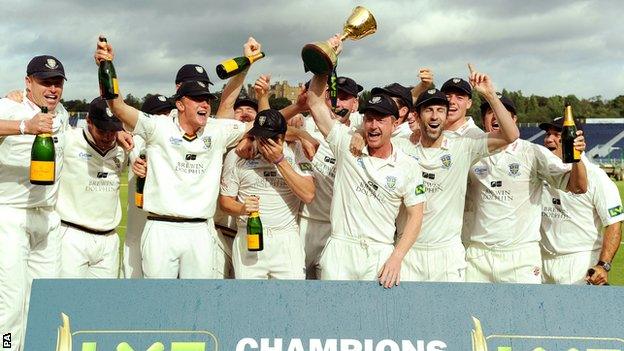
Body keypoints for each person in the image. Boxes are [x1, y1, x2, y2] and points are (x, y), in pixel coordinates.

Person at [94, 36, 259, 278]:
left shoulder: (217, 130)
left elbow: (262, 124)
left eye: (207, 99)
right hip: (161, 229)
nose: (204, 104)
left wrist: (247, 63)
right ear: (180, 104)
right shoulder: (158, 127)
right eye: (197, 99)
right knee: (160, 304)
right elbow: (117, 106)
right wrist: (105, 65)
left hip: (201, 230)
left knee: (195, 306)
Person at [362, 64, 520, 282]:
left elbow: (511, 135)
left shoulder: (463, 147)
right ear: (417, 116)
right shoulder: (401, 145)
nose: (434, 116)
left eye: (440, 110)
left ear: (447, 116)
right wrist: (358, 135)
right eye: (428, 110)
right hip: (408, 253)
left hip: (447, 254)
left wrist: (491, 96)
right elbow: (373, 130)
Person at [305, 35, 426, 288]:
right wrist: (326, 63)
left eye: (381, 119)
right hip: (341, 249)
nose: (373, 125)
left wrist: (396, 257)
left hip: (380, 253)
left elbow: (416, 215)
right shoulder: (345, 144)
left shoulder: (408, 165)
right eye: (369, 118)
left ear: (395, 124)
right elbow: (315, 102)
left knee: (375, 325)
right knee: (333, 323)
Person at [464, 95, 588, 284]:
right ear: (483, 121)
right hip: (477, 254)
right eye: (491, 112)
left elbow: (578, 187)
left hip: (520, 255)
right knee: (472, 313)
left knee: (523, 314)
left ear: (514, 121)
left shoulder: (532, 152)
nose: (497, 116)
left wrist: (577, 159)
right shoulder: (471, 151)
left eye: (504, 113)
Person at [0, 55, 69, 351]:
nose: (52, 89)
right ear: (28, 83)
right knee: (11, 301)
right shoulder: (9, 106)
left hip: (48, 218)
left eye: (57, 83)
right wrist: (25, 126)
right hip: (10, 216)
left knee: (44, 300)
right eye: (45, 82)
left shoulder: (63, 114)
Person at [219, 109, 315, 279]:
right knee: (249, 301)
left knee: (291, 300)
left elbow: (308, 194)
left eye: (271, 139)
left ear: (283, 137)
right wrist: (242, 208)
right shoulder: (238, 155)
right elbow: (225, 202)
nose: (265, 144)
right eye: (260, 137)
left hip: (286, 239)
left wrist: (280, 160)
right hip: (249, 238)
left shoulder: (295, 151)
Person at [539, 117, 623, 285]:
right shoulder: (540, 171)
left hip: (580, 263)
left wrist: (603, 266)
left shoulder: (596, 176)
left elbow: (614, 223)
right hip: (541, 262)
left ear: (576, 138)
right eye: (548, 134)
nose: (549, 139)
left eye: (557, 134)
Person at [298, 75, 364, 279]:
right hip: (306, 222)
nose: (337, 103)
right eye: (332, 97)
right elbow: (278, 127)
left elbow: (397, 118)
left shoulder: (362, 129)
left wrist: (360, 132)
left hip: (340, 230)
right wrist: (299, 133)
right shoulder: (307, 124)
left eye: (344, 98)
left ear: (355, 104)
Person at [57, 97, 127, 278]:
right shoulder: (69, 140)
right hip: (72, 236)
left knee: (101, 304)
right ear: (88, 121)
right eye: (102, 129)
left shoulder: (123, 148)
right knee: (66, 302)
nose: (108, 136)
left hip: (109, 239)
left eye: (113, 130)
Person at [123, 94, 175, 278]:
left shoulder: (174, 140)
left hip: (163, 219)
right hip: (139, 216)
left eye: (167, 113)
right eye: (159, 114)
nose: (165, 118)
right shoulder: (135, 140)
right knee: (135, 272)